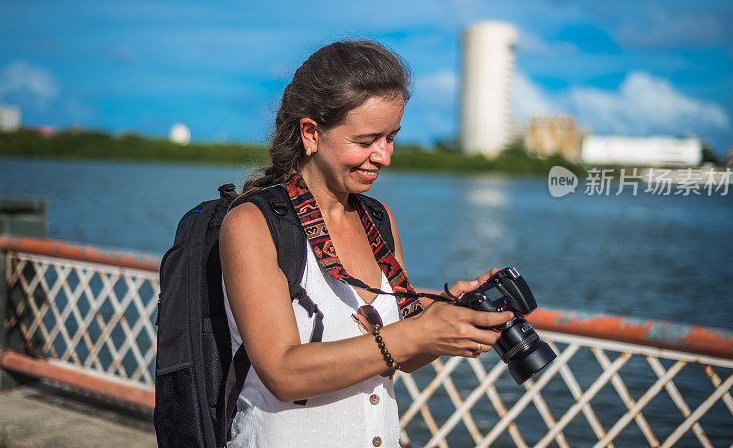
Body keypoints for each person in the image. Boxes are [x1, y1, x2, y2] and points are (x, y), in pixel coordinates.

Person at [219, 40, 513, 447]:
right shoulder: (253, 224)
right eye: (367, 140)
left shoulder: (379, 219)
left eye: (391, 137)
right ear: (311, 133)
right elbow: (283, 373)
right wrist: (418, 335)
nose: (384, 156)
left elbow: (403, 357)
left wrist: (448, 320)